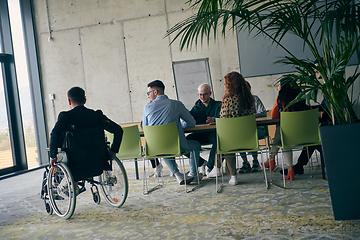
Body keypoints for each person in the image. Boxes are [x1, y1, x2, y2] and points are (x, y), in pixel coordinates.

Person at [49, 86, 124, 191]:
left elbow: (54, 133)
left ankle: (57, 184)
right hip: (98, 162)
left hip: (75, 164)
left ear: (69, 101)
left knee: (62, 143)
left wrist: (52, 156)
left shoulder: (66, 117)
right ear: (84, 100)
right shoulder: (97, 115)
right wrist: (113, 151)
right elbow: (118, 130)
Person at [142, 80, 202, 185]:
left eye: (149, 93)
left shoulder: (147, 107)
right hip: (176, 145)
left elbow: (145, 127)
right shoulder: (176, 104)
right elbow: (192, 123)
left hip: (155, 148)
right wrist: (180, 126)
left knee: (162, 145)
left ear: (155, 92)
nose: (148, 96)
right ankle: (193, 174)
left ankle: (178, 175)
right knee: (196, 145)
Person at [210, 71, 254, 185]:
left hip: (232, 139)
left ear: (231, 84)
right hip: (248, 138)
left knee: (223, 140)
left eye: (226, 83)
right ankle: (217, 168)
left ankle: (226, 172)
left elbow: (224, 122)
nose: (224, 86)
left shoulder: (228, 100)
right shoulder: (249, 99)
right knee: (225, 140)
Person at [263, 79, 309, 180]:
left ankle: (275, 159)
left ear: (283, 88)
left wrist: (278, 97)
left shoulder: (282, 103)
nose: (277, 88)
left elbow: (274, 116)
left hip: (289, 138)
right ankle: (286, 167)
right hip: (307, 137)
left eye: (278, 86)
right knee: (283, 132)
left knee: (282, 131)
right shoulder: (302, 100)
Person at [186, 83, 221, 176]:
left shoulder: (218, 105)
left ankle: (210, 166)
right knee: (183, 142)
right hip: (199, 134)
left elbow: (224, 118)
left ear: (210, 93)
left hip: (212, 133)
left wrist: (214, 119)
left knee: (219, 140)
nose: (203, 97)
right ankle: (201, 162)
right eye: (200, 95)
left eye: (205, 94)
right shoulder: (195, 108)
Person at [238, 81, 267, 173]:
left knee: (250, 133)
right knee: (237, 136)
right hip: (242, 131)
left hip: (257, 129)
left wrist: (250, 116)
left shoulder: (255, 99)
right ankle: (245, 162)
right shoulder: (235, 102)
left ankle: (255, 160)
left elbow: (263, 113)